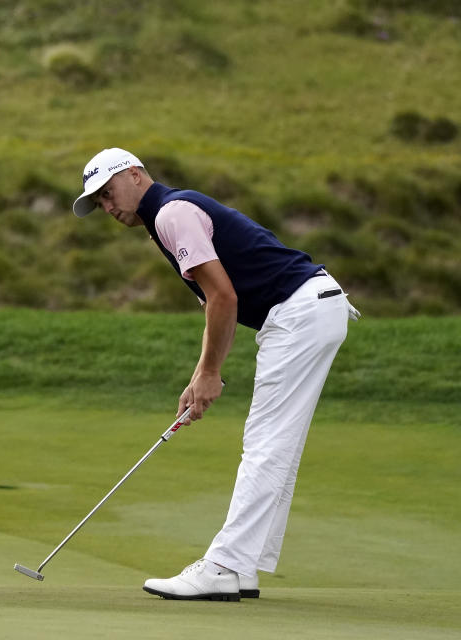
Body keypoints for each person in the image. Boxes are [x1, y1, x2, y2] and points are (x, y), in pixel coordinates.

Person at [72, 148, 359, 601]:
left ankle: (224, 566)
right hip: (311, 308)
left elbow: (225, 297)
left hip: (299, 312)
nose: (108, 207)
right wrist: (202, 374)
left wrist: (211, 373)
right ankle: (242, 568)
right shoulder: (167, 219)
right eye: (99, 202)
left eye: (108, 193)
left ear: (134, 175)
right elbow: (215, 302)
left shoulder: (170, 213)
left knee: (266, 443)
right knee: (276, 444)